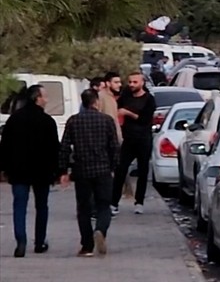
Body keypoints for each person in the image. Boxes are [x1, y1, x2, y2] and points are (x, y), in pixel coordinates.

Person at [0, 85, 61, 257]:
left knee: (19, 206)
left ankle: (21, 241)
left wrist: (4, 167)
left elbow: (5, 146)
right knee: (41, 206)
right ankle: (40, 241)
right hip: (41, 172)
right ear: (37, 98)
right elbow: (53, 149)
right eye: (45, 96)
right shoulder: (47, 121)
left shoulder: (14, 120)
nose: (47, 100)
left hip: (18, 171)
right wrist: (56, 171)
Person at [59, 89, 120, 257]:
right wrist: (113, 167)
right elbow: (114, 147)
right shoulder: (106, 120)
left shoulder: (73, 121)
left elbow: (64, 147)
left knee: (84, 208)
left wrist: (63, 170)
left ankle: (87, 246)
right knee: (104, 205)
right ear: (96, 102)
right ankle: (100, 229)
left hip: (82, 171)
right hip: (103, 169)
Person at [113, 72, 157, 214]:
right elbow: (117, 109)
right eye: (130, 82)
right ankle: (114, 202)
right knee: (120, 169)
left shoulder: (149, 99)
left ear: (142, 83)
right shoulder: (126, 96)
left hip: (143, 139)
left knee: (143, 171)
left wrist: (128, 113)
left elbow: (144, 119)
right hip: (128, 139)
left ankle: (139, 202)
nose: (132, 85)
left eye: (135, 82)